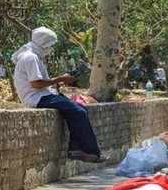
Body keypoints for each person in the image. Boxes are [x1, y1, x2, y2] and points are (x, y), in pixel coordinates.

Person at [12, 26, 105, 163]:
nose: (50, 48)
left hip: (42, 95)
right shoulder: (30, 57)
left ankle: (76, 148)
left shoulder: (33, 55)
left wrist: (59, 81)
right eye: (49, 45)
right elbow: (36, 83)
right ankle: (91, 151)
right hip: (36, 98)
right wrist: (60, 79)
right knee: (78, 112)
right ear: (43, 43)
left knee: (80, 109)